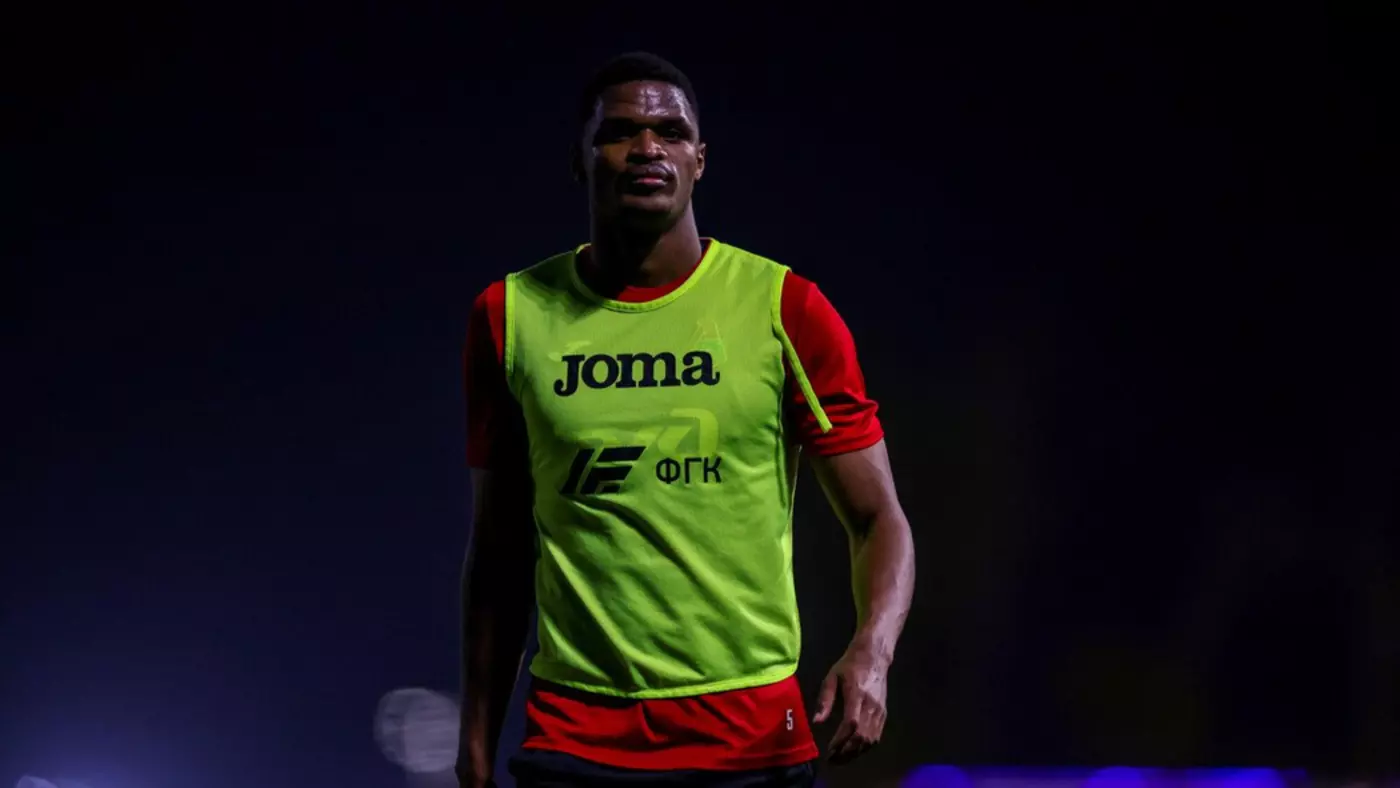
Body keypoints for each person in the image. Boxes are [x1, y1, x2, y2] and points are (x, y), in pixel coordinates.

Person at [457, 52, 916, 788]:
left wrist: (873, 652)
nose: (648, 147)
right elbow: (499, 553)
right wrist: (475, 744)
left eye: (671, 132)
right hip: (576, 742)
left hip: (752, 744)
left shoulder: (786, 309)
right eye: (620, 132)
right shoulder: (509, 317)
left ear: (699, 160)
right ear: (580, 158)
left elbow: (877, 519)